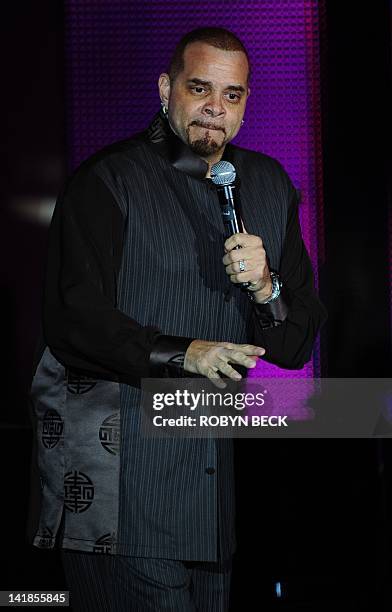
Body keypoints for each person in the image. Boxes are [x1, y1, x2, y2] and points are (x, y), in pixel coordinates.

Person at [27, 27, 326, 611]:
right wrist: (182, 352)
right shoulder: (107, 180)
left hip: (211, 500)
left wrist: (268, 288)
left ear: (245, 107)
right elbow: (72, 321)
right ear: (167, 89)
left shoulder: (267, 185)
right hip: (119, 495)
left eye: (233, 94)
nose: (216, 106)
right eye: (199, 88)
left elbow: (295, 345)